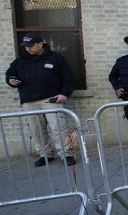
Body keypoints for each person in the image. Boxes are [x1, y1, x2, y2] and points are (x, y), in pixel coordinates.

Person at [4, 33, 77, 166]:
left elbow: (69, 77)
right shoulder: (20, 61)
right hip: (29, 101)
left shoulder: (55, 58)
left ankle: (66, 154)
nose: (28, 49)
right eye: (26, 46)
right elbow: (10, 75)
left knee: (58, 128)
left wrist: (64, 94)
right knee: (36, 130)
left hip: (51, 99)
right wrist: (11, 81)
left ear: (40, 44)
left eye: (31, 46)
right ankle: (46, 155)